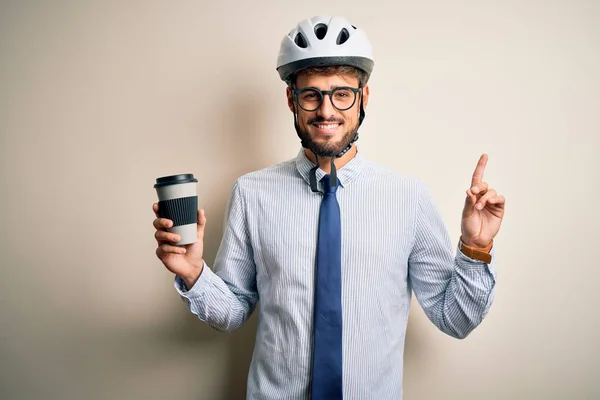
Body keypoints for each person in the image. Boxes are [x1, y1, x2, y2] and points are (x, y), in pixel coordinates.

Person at [152, 15, 505, 400]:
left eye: (342, 93)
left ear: (363, 97)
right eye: (311, 95)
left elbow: (455, 320)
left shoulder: (409, 199)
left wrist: (476, 248)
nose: (326, 111)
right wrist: (194, 274)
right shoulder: (251, 194)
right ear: (291, 100)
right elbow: (233, 311)